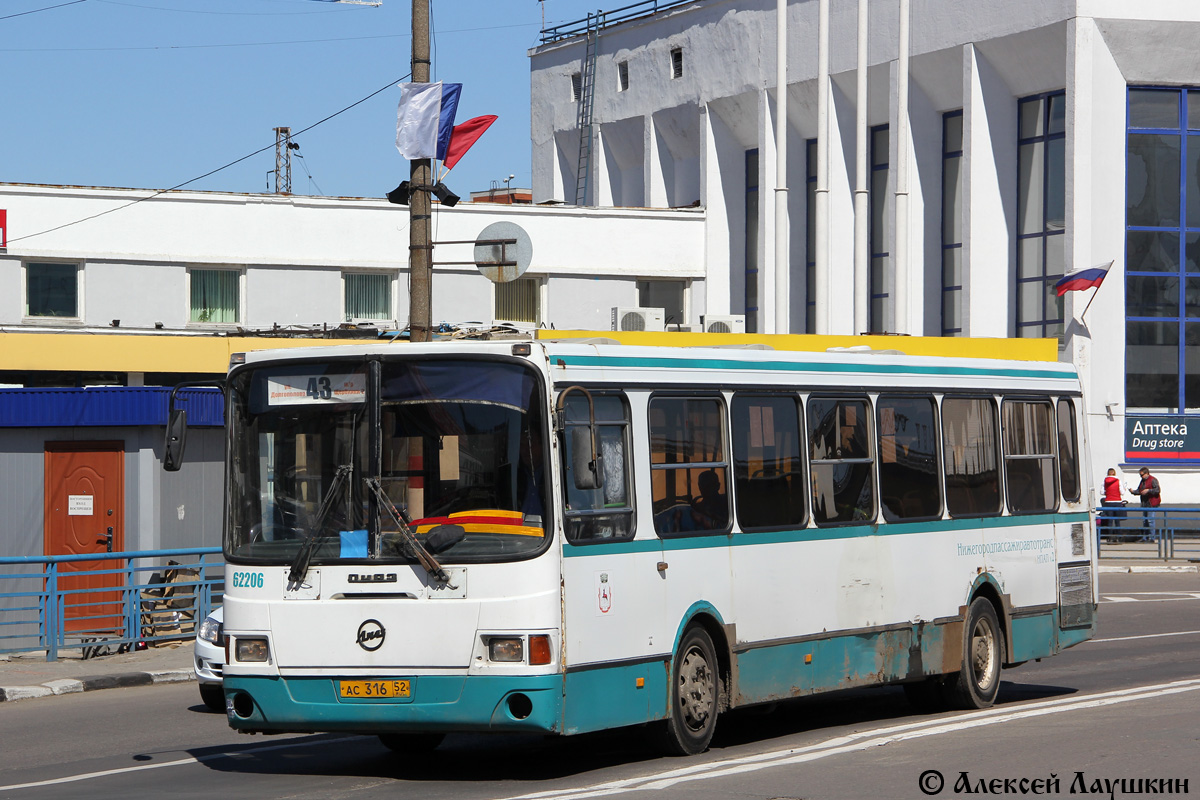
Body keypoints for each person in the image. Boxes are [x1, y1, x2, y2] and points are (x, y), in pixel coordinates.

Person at [1129, 467, 1161, 541]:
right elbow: (1140, 490)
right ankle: (1145, 537)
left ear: (1147, 473)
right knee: (1145, 521)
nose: (1141, 477)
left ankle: (1152, 537)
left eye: (1142, 475)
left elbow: (1157, 490)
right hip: (1145, 503)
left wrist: (1148, 491)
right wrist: (1133, 491)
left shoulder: (1153, 480)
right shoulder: (1142, 481)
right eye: (1140, 475)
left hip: (1152, 503)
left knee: (1150, 520)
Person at [1099, 468, 1126, 543]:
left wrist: (1108, 493)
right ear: (1114, 473)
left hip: (1108, 502)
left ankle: (1109, 537)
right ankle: (1119, 536)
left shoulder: (1104, 481)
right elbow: (1122, 492)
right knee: (1117, 520)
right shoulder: (1118, 481)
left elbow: (1102, 492)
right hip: (1117, 502)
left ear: (1108, 473)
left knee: (1110, 520)